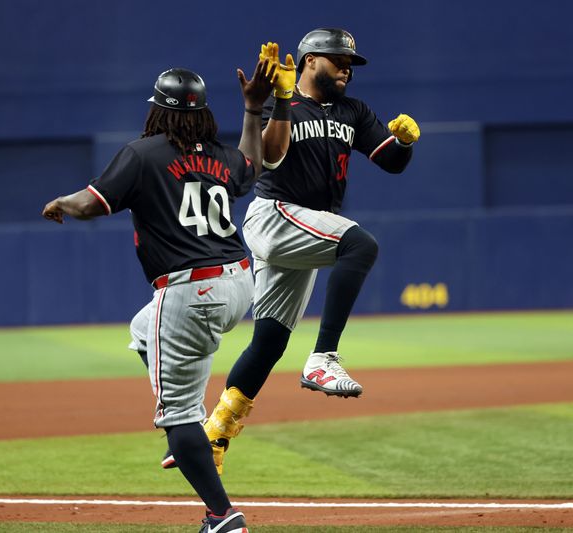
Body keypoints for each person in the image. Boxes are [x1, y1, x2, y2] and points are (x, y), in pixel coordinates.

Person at [163, 28, 420, 475]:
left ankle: (215, 433)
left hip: (307, 225)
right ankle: (324, 358)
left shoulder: (352, 111)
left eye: (350, 64)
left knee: (269, 341)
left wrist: (404, 143)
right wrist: (272, 103)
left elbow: (390, 163)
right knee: (360, 244)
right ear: (309, 60)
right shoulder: (289, 105)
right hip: (276, 214)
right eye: (337, 60)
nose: (345, 69)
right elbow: (267, 159)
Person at [42, 58, 276, 533]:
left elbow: (91, 203)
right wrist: (254, 109)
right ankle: (184, 436)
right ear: (202, 114)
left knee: (179, 414)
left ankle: (221, 515)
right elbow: (251, 166)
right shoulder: (220, 155)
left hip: (191, 289)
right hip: (239, 282)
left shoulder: (143, 153)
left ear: (158, 113)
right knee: (140, 328)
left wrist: (63, 201)